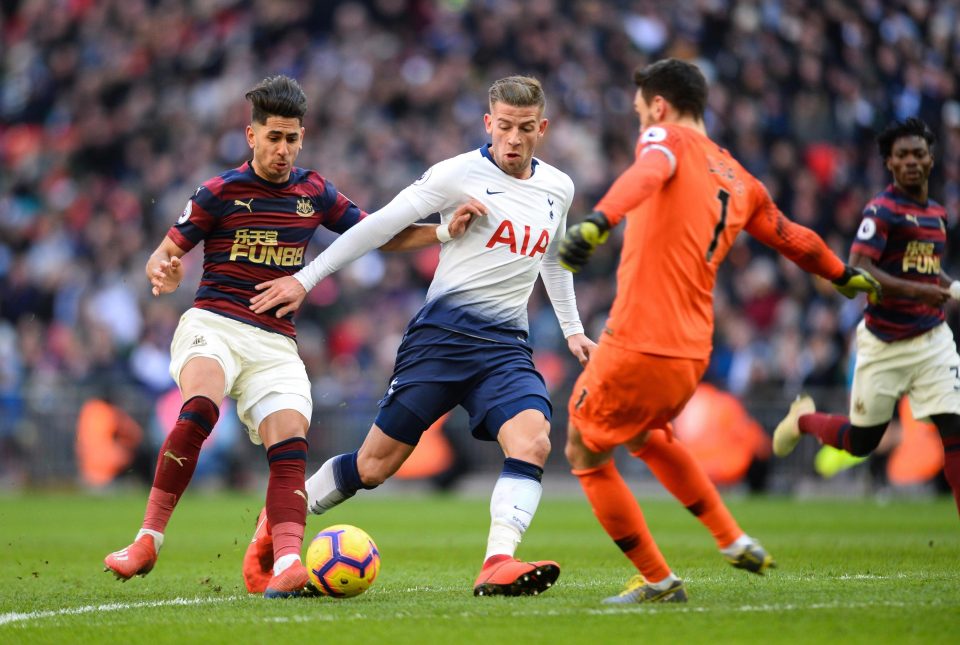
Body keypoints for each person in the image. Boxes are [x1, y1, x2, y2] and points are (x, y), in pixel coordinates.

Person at [102, 75, 478, 598]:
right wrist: (162, 270)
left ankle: (285, 564)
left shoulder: (314, 191)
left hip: (274, 344)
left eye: (292, 138)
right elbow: (165, 252)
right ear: (251, 135)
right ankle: (146, 539)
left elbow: (374, 231)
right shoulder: (219, 192)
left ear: (302, 137)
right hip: (214, 324)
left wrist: (440, 232)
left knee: (290, 448)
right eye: (273, 137)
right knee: (200, 410)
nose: (282, 149)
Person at [244, 75, 596, 597]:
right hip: (441, 341)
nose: (514, 139)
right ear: (488, 124)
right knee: (372, 466)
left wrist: (573, 329)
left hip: (504, 348)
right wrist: (306, 278)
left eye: (525, 128)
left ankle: (498, 561)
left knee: (535, 439)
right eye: (504, 127)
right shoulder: (457, 174)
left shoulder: (558, 187)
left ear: (541, 128)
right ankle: (270, 531)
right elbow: (378, 226)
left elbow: (554, 256)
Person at [557, 58, 881, 604]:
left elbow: (650, 170)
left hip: (639, 339)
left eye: (641, 112)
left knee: (583, 450)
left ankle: (658, 580)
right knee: (645, 435)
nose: (642, 124)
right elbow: (792, 237)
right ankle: (732, 538)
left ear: (658, 106)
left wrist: (599, 220)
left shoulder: (666, 140)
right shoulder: (739, 178)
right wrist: (842, 274)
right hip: (691, 354)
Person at [773, 117, 960, 517]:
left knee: (955, 431)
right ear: (890, 163)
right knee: (862, 442)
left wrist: (951, 287)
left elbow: (928, 270)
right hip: (885, 342)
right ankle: (804, 419)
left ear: (931, 160)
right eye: (902, 155)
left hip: (932, 339)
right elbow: (859, 268)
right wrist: (921, 291)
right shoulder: (881, 210)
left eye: (918, 154)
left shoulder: (937, 216)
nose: (911, 161)